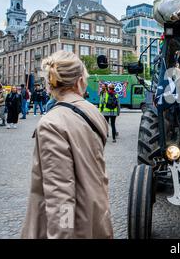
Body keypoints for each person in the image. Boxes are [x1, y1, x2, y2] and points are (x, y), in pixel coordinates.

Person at [21, 50, 113, 239]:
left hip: (75, 227)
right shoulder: (93, 112)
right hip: (96, 214)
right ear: (80, 81)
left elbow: (60, 195)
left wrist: (62, 234)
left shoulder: (52, 124)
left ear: (49, 84)